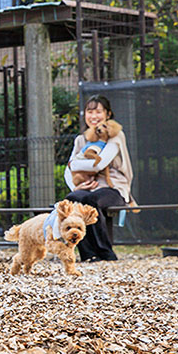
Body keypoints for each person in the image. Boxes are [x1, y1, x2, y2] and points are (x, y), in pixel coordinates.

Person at [63, 95, 135, 262]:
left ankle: (106, 253)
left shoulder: (116, 136)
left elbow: (98, 165)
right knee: (72, 200)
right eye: (90, 112)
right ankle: (87, 254)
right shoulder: (81, 139)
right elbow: (68, 171)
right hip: (87, 187)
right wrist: (76, 188)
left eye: (98, 112)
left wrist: (73, 164)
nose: (93, 116)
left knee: (90, 201)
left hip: (114, 188)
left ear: (107, 114)